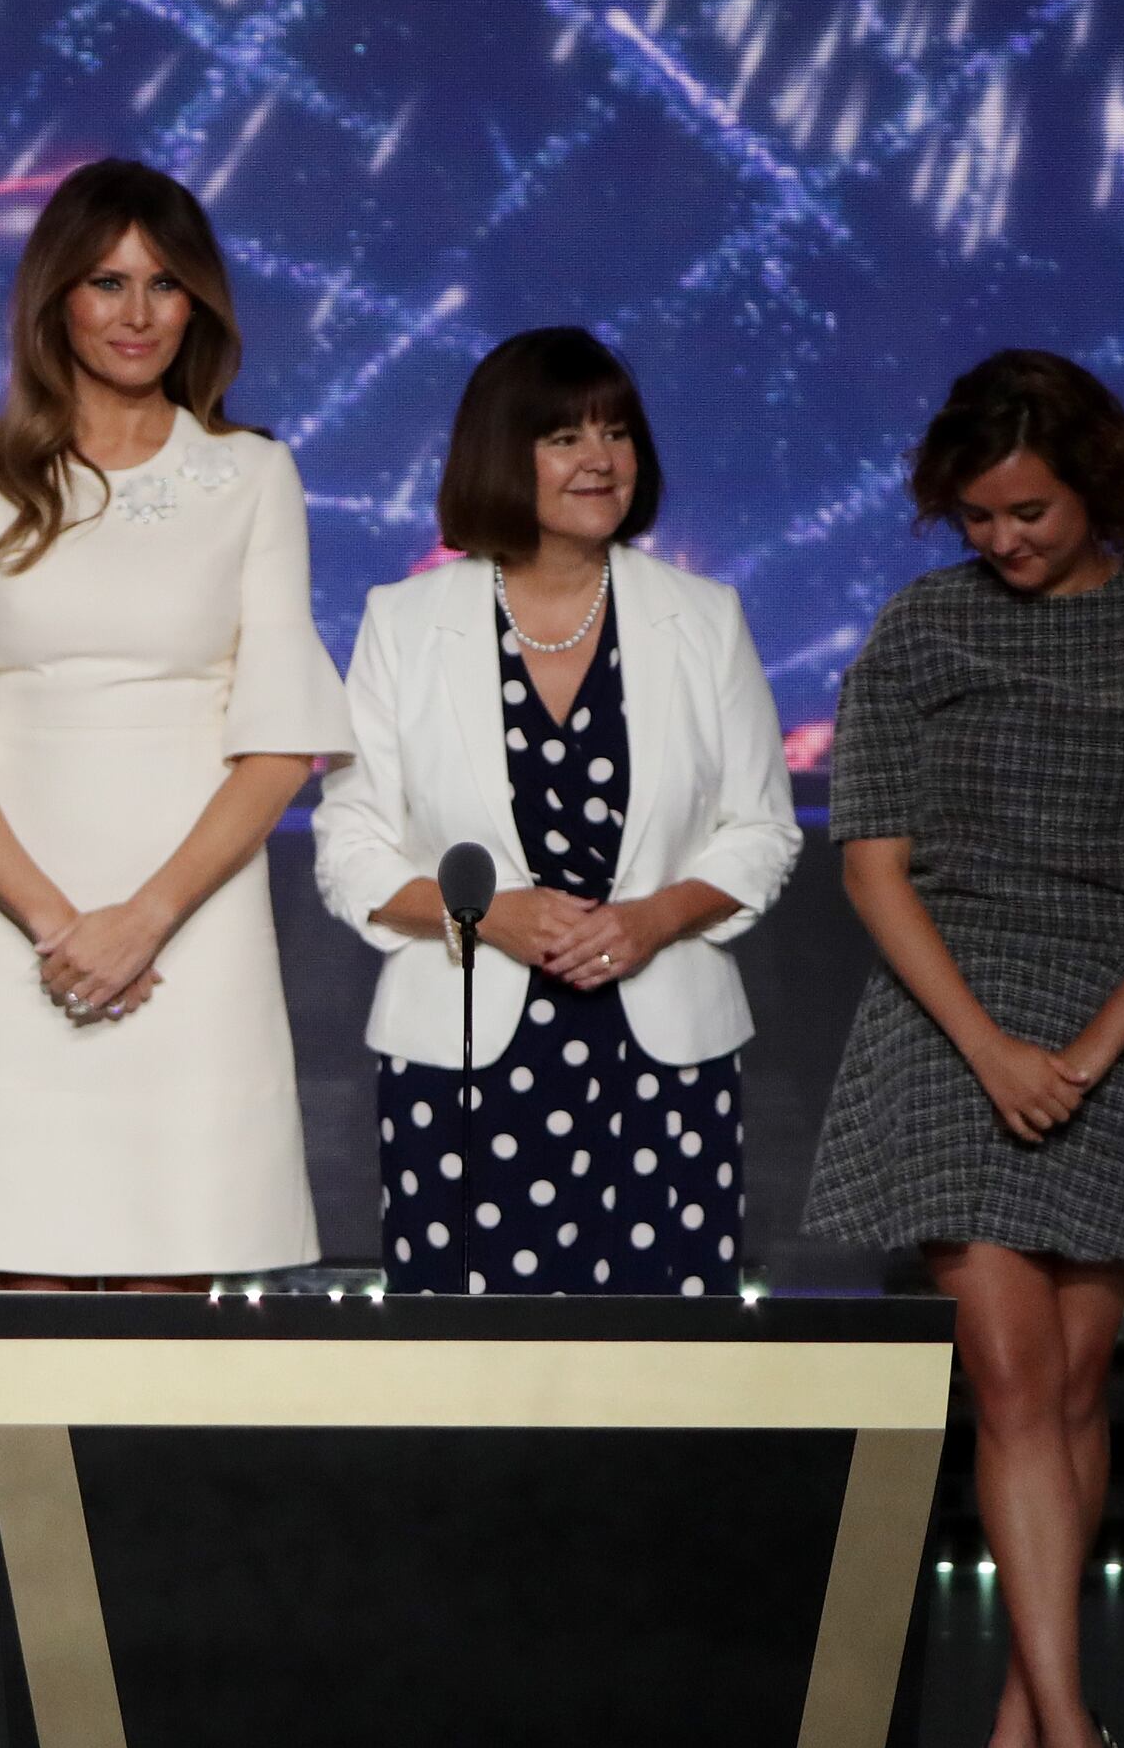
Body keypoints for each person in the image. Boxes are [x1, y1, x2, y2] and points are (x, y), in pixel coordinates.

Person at [806, 349, 1124, 1748]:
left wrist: (1089, 1045)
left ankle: (1020, 1725)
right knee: (1010, 1383)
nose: (999, 540)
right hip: (951, 1019)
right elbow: (871, 862)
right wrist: (996, 1047)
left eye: (1028, 511)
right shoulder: (922, 628)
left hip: (1122, 1015)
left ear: (1096, 488)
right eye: (977, 516)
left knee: (1075, 1388)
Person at [0, 159, 351, 1286]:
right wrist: (54, 923)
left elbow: (282, 736)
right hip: (11, 906)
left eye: (166, 285)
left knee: (177, 1263)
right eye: (107, 282)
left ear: (200, 307)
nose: (138, 314)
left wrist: (143, 919)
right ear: (56, 299)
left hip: (196, 910)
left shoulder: (251, 474)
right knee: (23, 1267)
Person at [317, 327, 800, 1294]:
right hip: (460, 1057)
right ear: (503, 454)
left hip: (664, 1055)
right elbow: (349, 845)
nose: (601, 459)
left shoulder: (704, 617)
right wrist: (489, 914)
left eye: (616, 433)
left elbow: (764, 830)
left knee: (663, 1370)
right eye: (564, 438)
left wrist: (653, 918)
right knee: (470, 1375)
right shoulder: (404, 623)